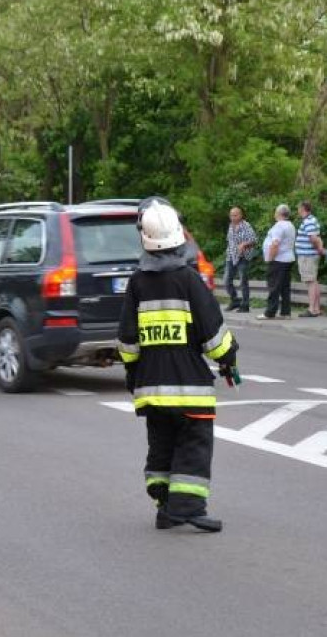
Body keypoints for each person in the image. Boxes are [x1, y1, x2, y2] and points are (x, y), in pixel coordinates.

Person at [118, 198, 239, 533]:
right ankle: (188, 507)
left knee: (162, 445)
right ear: (178, 236)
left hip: (151, 390)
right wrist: (228, 359)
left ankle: (165, 505)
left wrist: (132, 372)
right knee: (194, 442)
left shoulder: (137, 283)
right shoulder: (188, 280)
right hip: (189, 389)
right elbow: (213, 333)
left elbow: (128, 341)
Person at [256, 204, 296, 320]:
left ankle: (270, 312)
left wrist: (270, 258)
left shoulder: (279, 226)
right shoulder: (290, 225)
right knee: (285, 287)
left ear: (278, 213)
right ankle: (285, 312)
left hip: (278, 260)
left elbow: (275, 244)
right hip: (288, 258)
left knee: (274, 286)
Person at [296, 200, 326, 317]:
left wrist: (318, 248)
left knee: (310, 282)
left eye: (299, 208)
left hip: (307, 256)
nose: (298, 210)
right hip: (310, 255)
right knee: (314, 281)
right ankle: (316, 308)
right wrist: (320, 248)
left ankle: (312, 309)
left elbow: (313, 238)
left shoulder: (308, 221)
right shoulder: (313, 219)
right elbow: (318, 238)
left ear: (303, 208)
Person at [224, 206, 257, 313]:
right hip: (231, 255)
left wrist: (244, 244)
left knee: (243, 281)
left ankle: (245, 305)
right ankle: (235, 301)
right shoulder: (230, 226)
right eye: (231, 215)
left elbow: (254, 239)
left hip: (243, 257)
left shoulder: (246, 226)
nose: (233, 217)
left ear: (241, 215)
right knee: (227, 280)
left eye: (235, 215)